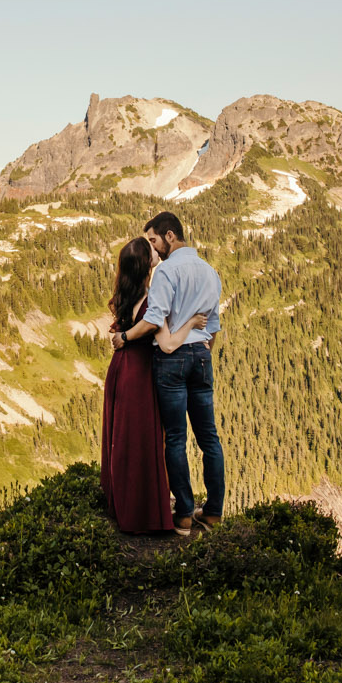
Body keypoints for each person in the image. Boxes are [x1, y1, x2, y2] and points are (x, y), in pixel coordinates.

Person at [101, 237, 209, 534]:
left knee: (126, 440)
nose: (156, 251)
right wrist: (191, 323)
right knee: (144, 444)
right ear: (147, 264)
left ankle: (126, 504)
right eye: (150, 250)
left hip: (121, 371)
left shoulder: (127, 293)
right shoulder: (151, 300)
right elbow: (169, 344)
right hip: (141, 374)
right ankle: (144, 513)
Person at [137, 210, 224, 531]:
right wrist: (202, 351)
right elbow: (213, 326)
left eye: (154, 240)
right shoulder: (210, 272)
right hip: (202, 356)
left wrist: (126, 336)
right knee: (209, 437)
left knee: (175, 438)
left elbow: (155, 318)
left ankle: (185, 512)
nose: (154, 248)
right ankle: (213, 511)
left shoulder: (165, 272)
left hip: (171, 359)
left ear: (169, 236)